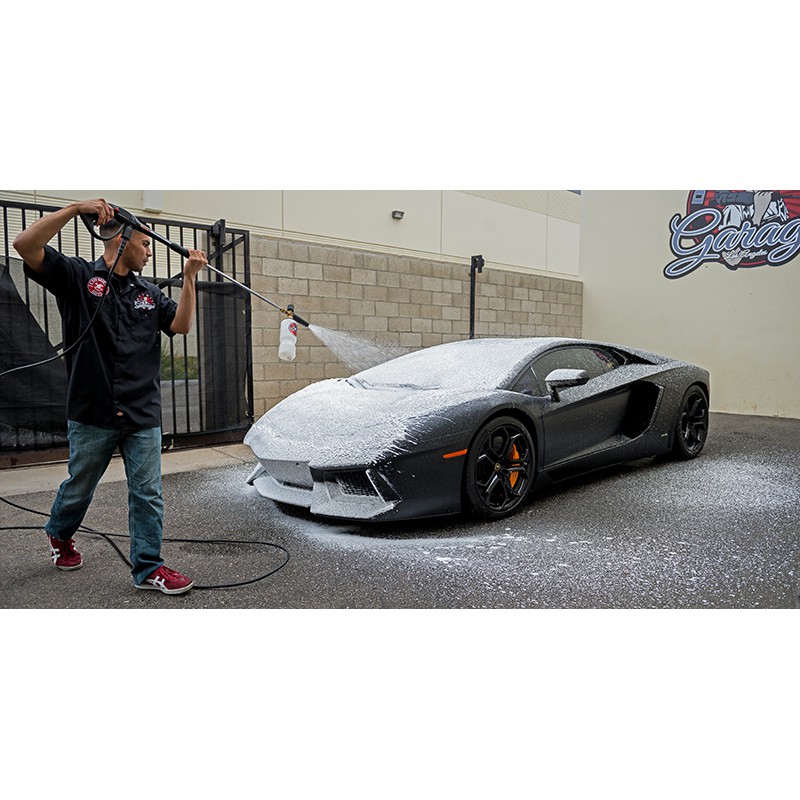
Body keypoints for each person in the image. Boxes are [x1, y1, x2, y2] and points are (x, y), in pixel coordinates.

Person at [13, 198, 207, 595]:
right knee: (80, 486)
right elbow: (24, 245)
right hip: (92, 411)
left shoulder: (148, 293)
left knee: (148, 493)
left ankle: (148, 567)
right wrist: (73, 209)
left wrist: (189, 277)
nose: (150, 252)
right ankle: (59, 532)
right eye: (145, 243)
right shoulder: (77, 277)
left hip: (142, 412)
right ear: (122, 239)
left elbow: (181, 325)